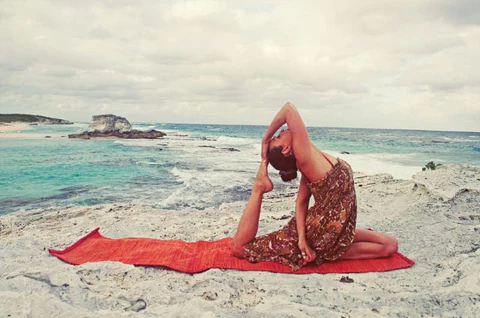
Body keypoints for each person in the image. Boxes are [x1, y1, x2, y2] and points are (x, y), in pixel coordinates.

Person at [232, 102, 398, 271]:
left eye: (275, 136)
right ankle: (259, 186)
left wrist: (302, 239)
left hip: (329, 231)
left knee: (390, 244)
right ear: (286, 149)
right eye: (277, 138)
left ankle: (324, 251)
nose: (279, 132)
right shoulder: (304, 157)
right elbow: (289, 109)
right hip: (321, 233)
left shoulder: (309, 158)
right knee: (240, 249)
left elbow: (301, 201)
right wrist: (266, 139)